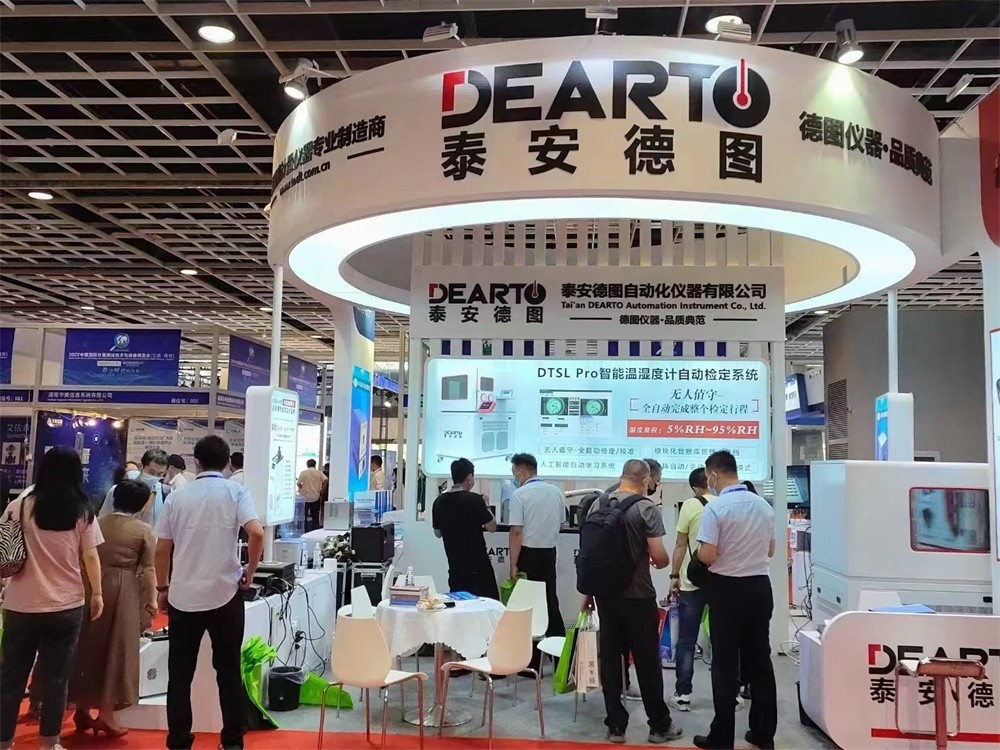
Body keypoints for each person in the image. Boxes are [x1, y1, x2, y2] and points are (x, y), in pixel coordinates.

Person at [154, 435, 264, 750]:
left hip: (183, 595)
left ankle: (178, 741)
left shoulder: (178, 496)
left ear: (196, 461)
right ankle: (232, 741)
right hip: (225, 593)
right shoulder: (236, 492)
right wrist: (250, 570)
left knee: (179, 675)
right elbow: (256, 532)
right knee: (228, 672)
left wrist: (162, 587)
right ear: (228, 462)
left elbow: (162, 548)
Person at [0, 446, 104, 750]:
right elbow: (91, 556)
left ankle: (4, 741)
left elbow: (4, 547)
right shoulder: (83, 510)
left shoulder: (19, 506)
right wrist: (97, 593)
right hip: (66, 604)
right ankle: (49, 742)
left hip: (20, 604)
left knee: (11, 678)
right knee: (57, 678)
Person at [581, 460, 681, 745]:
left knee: (612, 661)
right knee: (648, 662)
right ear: (646, 480)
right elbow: (659, 557)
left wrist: (588, 594)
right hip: (638, 596)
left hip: (605, 596)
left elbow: (590, 555)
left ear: (622, 476)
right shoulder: (646, 508)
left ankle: (615, 726)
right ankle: (659, 726)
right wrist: (659, 561)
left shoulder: (597, 504)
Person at [693, 451, 777, 750]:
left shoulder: (716, 509)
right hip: (759, 589)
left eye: (709, 477)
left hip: (727, 591)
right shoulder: (763, 505)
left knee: (725, 665)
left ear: (714, 474)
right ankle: (764, 734)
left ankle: (722, 737)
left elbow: (707, 555)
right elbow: (771, 550)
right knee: (760, 661)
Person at [69, 479, 158, 739]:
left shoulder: (95, 521)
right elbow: (150, 569)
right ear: (142, 505)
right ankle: (106, 715)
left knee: (88, 645)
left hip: (91, 584)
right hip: (124, 589)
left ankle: (81, 708)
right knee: (117, 648)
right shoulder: (143, 530)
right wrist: (153, 600)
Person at [508, 453, 566, 670]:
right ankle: (561, 660)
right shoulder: (556, 492)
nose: (515, 477)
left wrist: (513, 563)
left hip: (528, 554)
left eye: (515, 473)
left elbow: (516, 531)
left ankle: (530, 662)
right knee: (550, 602)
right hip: (549, 553)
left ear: (522, 471)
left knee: (528, 606)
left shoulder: (519, 495)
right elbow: (561, 522)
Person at [669, 468, 716, 711]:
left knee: (687, 641)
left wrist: (674, 575)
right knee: (723, 640)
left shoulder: (689, 505)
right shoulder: (723, 504)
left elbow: (680, 544)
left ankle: (683, 695)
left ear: (695, 487)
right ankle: (731, 694)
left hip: (691, 582)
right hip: (720, 581)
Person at [431, 458, 499, 599]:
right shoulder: (475, 500)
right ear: (469, 478)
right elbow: (492, 527)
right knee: (486, 605)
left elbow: (438, 533)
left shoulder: (439, 502)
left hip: (455, 568)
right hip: (478, 569)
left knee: (459, 606)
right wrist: (486, 505)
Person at [100, 450, 167, 526]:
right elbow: (103, 518)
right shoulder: (119, 490)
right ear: (141, 467)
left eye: (160, 474)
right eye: (151, 472)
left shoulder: (164, 493)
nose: (154, 477)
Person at [297, 458, 326, 532]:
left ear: (307, 465)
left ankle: (305, 530)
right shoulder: (319, 473)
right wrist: (322, 491)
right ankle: (315, 531)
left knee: (304, 516)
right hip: (316, 497)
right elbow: (326, 480)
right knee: (315, 517)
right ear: (315, 465)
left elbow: (299, 483)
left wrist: (302, 488)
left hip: (305, 498)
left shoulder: (303, 473)